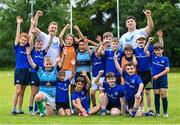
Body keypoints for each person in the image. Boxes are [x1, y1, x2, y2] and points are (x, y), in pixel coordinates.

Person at [26, 48, 64, 117]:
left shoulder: (55, 71)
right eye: (47, 64)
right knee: (37, 97)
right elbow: (32, 64)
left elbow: (61, 64)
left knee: (49, 115)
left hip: (52, 96)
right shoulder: (40, 71)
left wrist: (64, 55)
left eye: (50, 64)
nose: (48, 65)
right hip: (43, 93)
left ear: (52, 64)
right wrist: (28, 55)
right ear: (44, 64)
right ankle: (41, 112)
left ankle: (48, 108)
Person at [28, 11, 52, 115]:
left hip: (41, 74)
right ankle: (30, 109)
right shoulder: (33, 50)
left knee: (39, 92)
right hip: (33, 72)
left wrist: (51, 36)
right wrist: (34, 22)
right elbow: (31, 39)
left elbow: (49, 44)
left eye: (40, 44)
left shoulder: (43, 52)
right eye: (37, 44)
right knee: (33, 92)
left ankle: (38, 109)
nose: (38, 45)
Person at [144, 38, 170, 117]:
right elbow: (145, 50)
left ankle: (165, 112)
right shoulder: (152, 57)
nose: (158, 51)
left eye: (160, 50)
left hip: (162, 79)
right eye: (156, 50)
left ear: (162, 50)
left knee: (163, 94)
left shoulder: (165, 59)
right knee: (156, 94)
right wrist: (149, 41)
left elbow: (167, 70)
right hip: (155, 80)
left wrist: (158, 75)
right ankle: (157, 112)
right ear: (154, 51)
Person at [11, 16, 30, 115]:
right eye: (22, 40)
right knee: (17, 91)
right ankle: (13, 109)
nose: (23, 41)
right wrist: (19, 23)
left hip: (27, 70)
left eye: (25, 40)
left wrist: (33, 23)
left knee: (22, 92)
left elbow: (30, 35)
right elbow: (17, 35)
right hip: (19, 70)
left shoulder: (27, 47)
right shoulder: (17, 47)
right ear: (20, 40)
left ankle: (19, 109)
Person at [134, 34, 154, 116]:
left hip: (148, 73)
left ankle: (149, 109)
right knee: (140, 92)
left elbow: (161, 46)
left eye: (143, 39)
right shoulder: (134, 50)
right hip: (138, 74)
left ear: (145, 41)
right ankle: (141, 110)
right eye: (139, 39)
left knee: (148, 92)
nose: (141, 41)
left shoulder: (149, 48)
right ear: (136, 41)